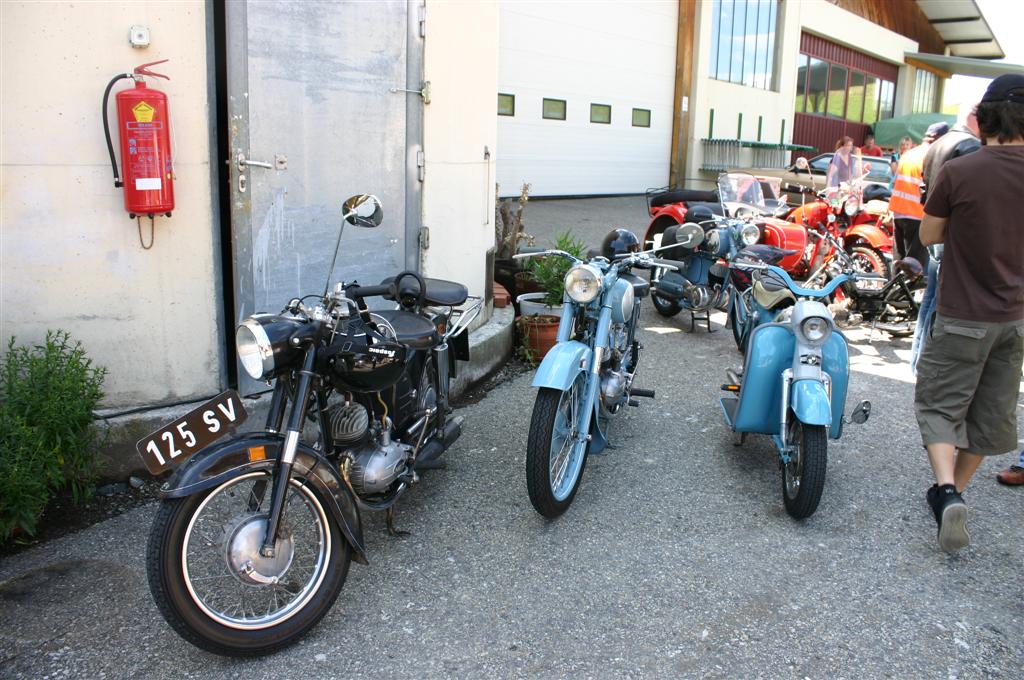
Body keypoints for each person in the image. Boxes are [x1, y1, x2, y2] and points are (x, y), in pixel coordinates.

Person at [916, 73, 1024, 553]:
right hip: (1016, 320)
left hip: (964, 314)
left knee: (940, 405)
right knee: (989, 413)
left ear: (986, 117)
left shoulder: (962, 171)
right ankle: (955, 492)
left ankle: (945, 490)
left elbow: (928, 236)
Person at [910, 106, 982, 374]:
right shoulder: (969, 146)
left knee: (929, 298)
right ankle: (924, 363)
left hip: (932, 223)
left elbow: (925, 186)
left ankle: (917, 359)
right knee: (937, 300)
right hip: (948, 229)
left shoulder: (939, 143)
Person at [889, 122, 949, 269]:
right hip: (917, 214)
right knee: (914, 266)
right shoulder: (930, 156)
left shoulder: (908, 154)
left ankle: (895, 291)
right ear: (938, 138)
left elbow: (896, 181)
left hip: (899, 212)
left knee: (899, 260)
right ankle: (908, 291)